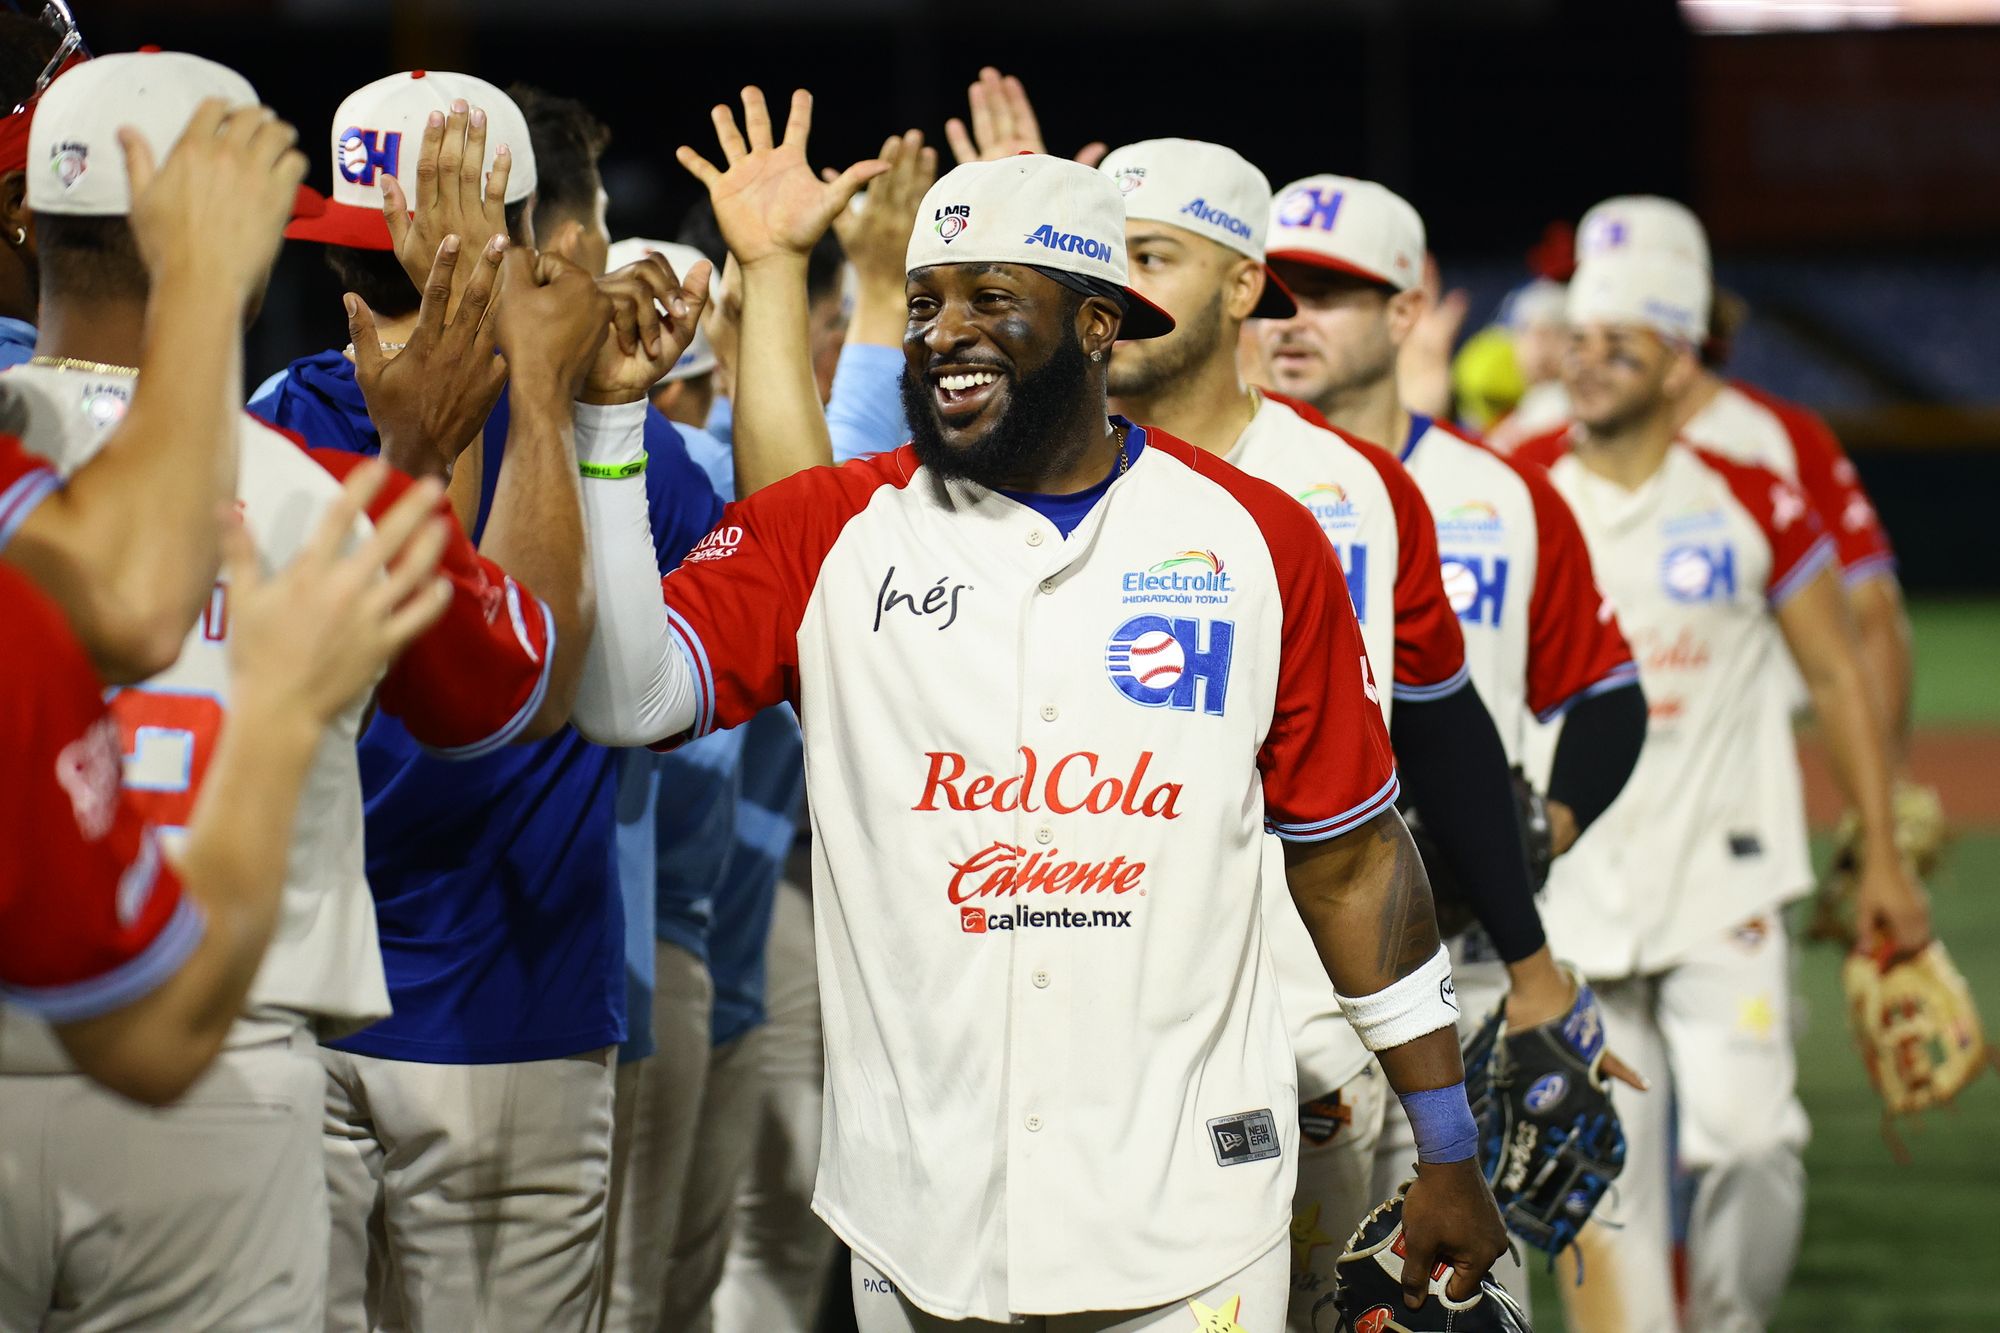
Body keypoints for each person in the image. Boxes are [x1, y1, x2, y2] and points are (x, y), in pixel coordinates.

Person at [571, 139, 1508, 1329]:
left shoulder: (1260, 540)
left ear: (1097, 325)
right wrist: (608, 421)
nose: (942, 330)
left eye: (990, 298)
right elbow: (625, 699)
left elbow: (1352, 857)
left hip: (1190, 1215)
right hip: (916, 1218)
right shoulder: (828, 530)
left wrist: (1445, 1142)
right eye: (922, 302)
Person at [0, 49, 600, 1331]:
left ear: (28, 226)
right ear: (255, 250)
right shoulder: (324, 493)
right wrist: (487, 421)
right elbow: (525, 683)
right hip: (214, 1053)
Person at [1098, 143, 1640, 1321]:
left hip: (1337, 1017)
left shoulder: (1357, 488)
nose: (1121, 287)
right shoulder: (1051, 470)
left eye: (1151, 256)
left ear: (1239, 285)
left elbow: (1443, 732)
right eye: (1102, 257)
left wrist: (1532, 959)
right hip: (1122, 1017)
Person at [254, 73, 718, 1332]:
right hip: (306, 1007)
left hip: (502, 1011)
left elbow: (787, 581)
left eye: (418, 274)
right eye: (378, 271)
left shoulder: (620, 433)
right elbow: (457, 667)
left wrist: (593, 399)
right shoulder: (274, 427)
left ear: (520, 260)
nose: (385, 308)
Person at [1512, 249, 1930, 1333]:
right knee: (1603, 1183)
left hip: (1725, 883)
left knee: (1752, 1141)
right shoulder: (1511, 488)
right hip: (1569, 894)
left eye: (1621, 344)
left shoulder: (1754, 498)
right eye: (1580, 339)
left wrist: (1877, 846)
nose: (1589, 362)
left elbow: (1838, 669)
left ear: (1676, 362)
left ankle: (1732, 1321)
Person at [0, 462, 447, 1102]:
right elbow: (158, 1046)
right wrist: (279, 710)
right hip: (228, 1030)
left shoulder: (27, 511)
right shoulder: (306, 488)